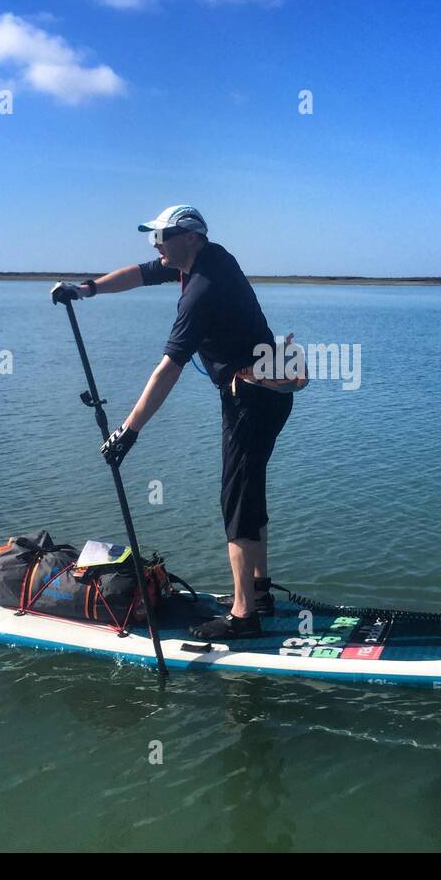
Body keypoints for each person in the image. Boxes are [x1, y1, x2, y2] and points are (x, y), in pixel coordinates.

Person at [51, 205, 293, 640]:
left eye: (162, 236)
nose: (155, 244)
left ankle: (244, 616)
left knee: (236, 499)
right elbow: (139, 274)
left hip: (253, 398)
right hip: (261, 394)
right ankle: (258, 592)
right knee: (248, 490)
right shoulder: (205, 258)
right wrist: (85, 290)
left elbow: (168, 369)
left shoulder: (202, 288)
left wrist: (128, 431)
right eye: (154, 237)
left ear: (191, 237)